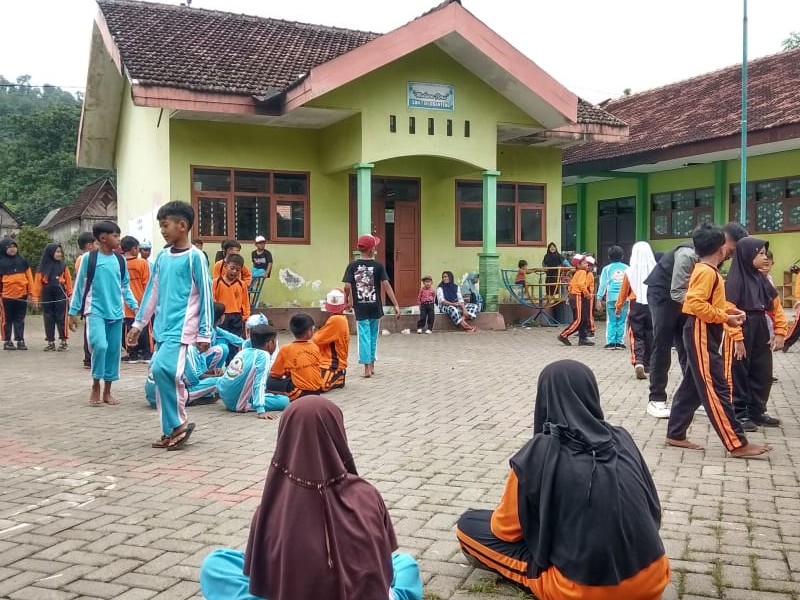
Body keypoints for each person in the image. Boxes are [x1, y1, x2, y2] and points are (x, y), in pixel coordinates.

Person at [456, 360, 670, 600]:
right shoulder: (622, 438)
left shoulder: (538, 454)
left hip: (582, 592)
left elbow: (505, 530)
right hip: (655, 577)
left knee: (468, 525)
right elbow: (653, 513)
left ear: (545, 398)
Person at [199, 395, 423, 600]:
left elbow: (261, 574)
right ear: (337, 434)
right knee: (405, 564)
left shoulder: (270, 510)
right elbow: (385, 569)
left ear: (286, 439)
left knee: (216, 564)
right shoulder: (367, 495)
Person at [664, 224, 770, 458]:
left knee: (693, 386)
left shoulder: (707, 271)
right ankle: (737, 443)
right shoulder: (707, 272)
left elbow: (709, 303)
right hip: (700, 332)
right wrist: (725, 317)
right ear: (721, 249)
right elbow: (694, 304)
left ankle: (676, 433)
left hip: (704, 330)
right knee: (716, 387)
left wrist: (728, 312)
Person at [127, 201, 214, 450]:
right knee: (159, 373)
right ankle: (169, 429)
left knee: (166, 370)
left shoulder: (195, 257)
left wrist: (205, 332)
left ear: (182, 225)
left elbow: (206, 295)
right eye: (161, 226)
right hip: (162, 328)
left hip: (182, 327)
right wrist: (139, 324)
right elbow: (152, 292)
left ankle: (179, 424)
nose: (162, 231)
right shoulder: (162, 257)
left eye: (165, 225)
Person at [645, 221, 748, 419]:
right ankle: (656, 399)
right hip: (663, 294)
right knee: (663, 342)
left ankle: (693, 398)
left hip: (689, 298)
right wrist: (710, 309)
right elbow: (677, 292)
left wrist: (723, 309)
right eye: (731, 250)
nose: (730, 256)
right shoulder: (688, 254)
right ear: (723, 241)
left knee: (688, 345)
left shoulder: (715, 258)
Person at [69, 221, 138, 406]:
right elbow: (80, 285)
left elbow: (125, 287)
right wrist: (73, 311)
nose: (119, 239)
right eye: (115, 236)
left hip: (116, 313)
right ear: (103, 238)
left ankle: (107, 391)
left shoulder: (120, 260)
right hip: (95, 311)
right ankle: (95, 385)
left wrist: (135, 306)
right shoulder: (89, 258)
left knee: (113, 352)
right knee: (100, 346)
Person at [724, 237, 787, 431]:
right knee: (738, 372)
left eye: (765, 254)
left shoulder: (762, 280)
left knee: (762, 370)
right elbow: (728, 311)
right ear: (747, 255)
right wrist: (737, 337)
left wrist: (780, 332)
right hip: (741, 327)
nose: (765, 258)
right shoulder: (734, 282)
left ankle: (756, 411)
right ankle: (738, 414)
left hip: (760, 326)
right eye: (760, 254)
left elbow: (776, 306)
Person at [342, 234, 401, 378]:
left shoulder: (352, 265)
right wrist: (396, 304)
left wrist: (347, 300)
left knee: (364, 336)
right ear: (372, 249)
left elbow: (347, 286)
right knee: (373, 335)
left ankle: (367, 368)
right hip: (375, 306)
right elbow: (386, 285)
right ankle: (372, 365)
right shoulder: (378, 266)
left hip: (360, 307)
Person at [212, 324, 289, 418]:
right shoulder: (263, 355)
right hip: (238, 403)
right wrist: (261, 410)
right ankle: (256, 402)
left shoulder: (244, 351)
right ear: (269, 344)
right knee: (284, 401)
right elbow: (259, 382)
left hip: (226, 397)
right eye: (275, 342)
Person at [616, 242, 656, 380]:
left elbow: (623, 291)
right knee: (650, 334)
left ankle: (638, 361)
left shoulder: (629, 272)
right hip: (652, 306)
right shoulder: (655, 270)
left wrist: (618, 307)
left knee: (636, 334)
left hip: (635, 305)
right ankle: (649, 364)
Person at [268, 313, 324, 401]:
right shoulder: (315, 347)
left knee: (269, 381)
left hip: (300, 392)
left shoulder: (286, 349)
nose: (314, 331)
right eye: (313, 329)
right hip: (317, 391)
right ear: (308, 332)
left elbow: (275, 373)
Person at [32, 243, 73, 351]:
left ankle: (63, 341)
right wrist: (35, 298)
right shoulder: (42, 268)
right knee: (48, 317)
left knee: (61, 317)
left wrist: (70, 295)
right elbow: (37, 284)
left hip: (60, 293)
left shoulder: (63, 266)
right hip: (47, 293)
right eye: (57, 252)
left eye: (60, 252)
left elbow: (68, 282)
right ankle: (50, 342)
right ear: (50, 253)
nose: (59, 254)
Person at [120, 236, 152, 363]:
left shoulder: (120, 263)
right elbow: (147, 284)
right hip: (142, 300)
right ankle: (147, 354)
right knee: (145, 328)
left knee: (129, 326)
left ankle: (132, 354)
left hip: (126, 303)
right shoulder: (142, 263)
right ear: (134, 249)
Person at [0, 238, 34, 351]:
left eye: (14, 246)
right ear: (4, 249)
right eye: (9, 247)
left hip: (21, 296)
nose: (12, 249)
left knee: (20, 319)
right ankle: (7, 341)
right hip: (6, 297)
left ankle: (20, 340)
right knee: (7, 319)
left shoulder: (23, 261)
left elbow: (29, 278)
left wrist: (31, 294)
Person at [312, 289, 349, 391]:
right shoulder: (341, 318)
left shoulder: (335, 320)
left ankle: (337, 378)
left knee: (315, 386)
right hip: (329, 363)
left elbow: (317, 339)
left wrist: (316, 332)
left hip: (332, 365)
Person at [212, 253, 251, 340]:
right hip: (221, 317)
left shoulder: (242, 284)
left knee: (236, 340)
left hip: (236, 317)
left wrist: (246, 316)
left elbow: (245, 302)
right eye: (232, 268)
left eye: (237, 270)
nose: (234, 271)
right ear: (225, 266)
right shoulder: (216, 283)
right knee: (221, 339)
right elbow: (213, 300)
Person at [596, 246, 627, 350]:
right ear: (622, 256)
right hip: (624, 298)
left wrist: (599, 299)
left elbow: (603, 284)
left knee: (611, 320)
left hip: (611, 298)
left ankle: (611, 342)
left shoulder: (606, 269)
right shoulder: (627, 268)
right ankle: (619, 342)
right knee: (622, 320)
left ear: (609, 257)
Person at [557, 254, 592, 346]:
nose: (587, 264)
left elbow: (570, 285)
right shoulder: (582, 272)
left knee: (583, 318)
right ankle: (564, 335)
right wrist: (587, 294)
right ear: (578, 265)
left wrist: (571, 293)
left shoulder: (577, 273)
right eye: (584, 263)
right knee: (579, 319)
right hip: (577, 296)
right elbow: (581, 285)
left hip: (574, 296)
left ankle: (583, 338)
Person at [74, 231, 97, 368]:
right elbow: (81, 282)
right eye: (96, 243)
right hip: (88, 299)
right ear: (89, 245)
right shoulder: (84, 259)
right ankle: (88, 358)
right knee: (89, 329)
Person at [204, 302, 246, 371]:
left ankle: (217, 369)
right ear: (219, 317)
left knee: (223, 340)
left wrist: (248, 343)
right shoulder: (208, 330)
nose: (225, 316)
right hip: (200, 359)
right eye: (223, 314)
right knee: (223, 348)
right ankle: (212, 371)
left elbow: (230, 337)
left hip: (207, 355)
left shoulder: (215, 328)